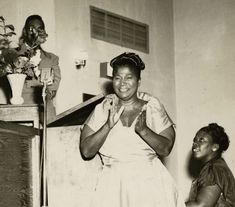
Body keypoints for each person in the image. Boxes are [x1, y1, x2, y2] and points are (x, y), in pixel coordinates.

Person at [80, 52, 186, 207]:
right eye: (117, 77)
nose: (122, 83)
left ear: (138, 81)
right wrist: (108, 126)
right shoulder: (103, 109)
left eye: (129, 77)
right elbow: (86, 151)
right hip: (114, 186)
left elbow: (166, 148)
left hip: (151, 185)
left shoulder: (151, 105)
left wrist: (144, 131)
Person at [18, 14, 61, 122]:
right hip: (20, 112)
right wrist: (41, 84)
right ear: (25, 31)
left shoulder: (52, 59)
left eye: (40, 29)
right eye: (32, 29)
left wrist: (32, 84)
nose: (37, 32)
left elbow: (53, 87)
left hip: (46, 113)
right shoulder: (13, 55)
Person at [186, 123, 235, 207]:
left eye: (201, 140)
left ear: (215, 147)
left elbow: (201, 205)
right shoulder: (218, 166)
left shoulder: (213, 169)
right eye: (195, 140)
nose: (195, 143)